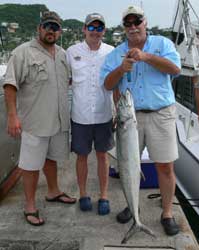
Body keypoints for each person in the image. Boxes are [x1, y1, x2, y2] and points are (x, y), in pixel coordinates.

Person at [100, 5, 181, 235]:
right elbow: (107, 84)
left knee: (165, 167)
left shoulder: (163, 44)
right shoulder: (116, 54)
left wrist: (145, 57)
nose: (133, 27)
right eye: (128, 23)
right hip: (129, 118)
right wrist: (121, 69)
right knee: (128, 167)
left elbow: (175, 69)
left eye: (137, 22)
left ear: (145, 22)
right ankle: (132, 206)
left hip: (160, 114)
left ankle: (167, 213)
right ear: (124, 27)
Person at [3, 11, 76, 226]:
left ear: (59, 31)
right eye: (47, 26)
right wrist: (12, 116)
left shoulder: (62, 54)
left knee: (51, 159)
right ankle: (30, 205)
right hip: (34, 121)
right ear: (39, 28)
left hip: (58, 121)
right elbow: (10, 85)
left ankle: (53, 191)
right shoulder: (22, 52)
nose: (51, 30)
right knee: (31, 165)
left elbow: (67, 83)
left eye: (55, 27)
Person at [66, 13, 114, 215]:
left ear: (104, 30)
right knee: (82, 156)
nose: (95, 32)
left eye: (99, 28)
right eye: (91, 28)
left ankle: (104, 196)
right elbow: (65, 80)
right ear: (84, 29)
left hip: (104, 115)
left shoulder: (111, 51)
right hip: (80, 115)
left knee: (103, 156)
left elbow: (118, 82)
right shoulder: (71, 51)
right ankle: (84, 194)